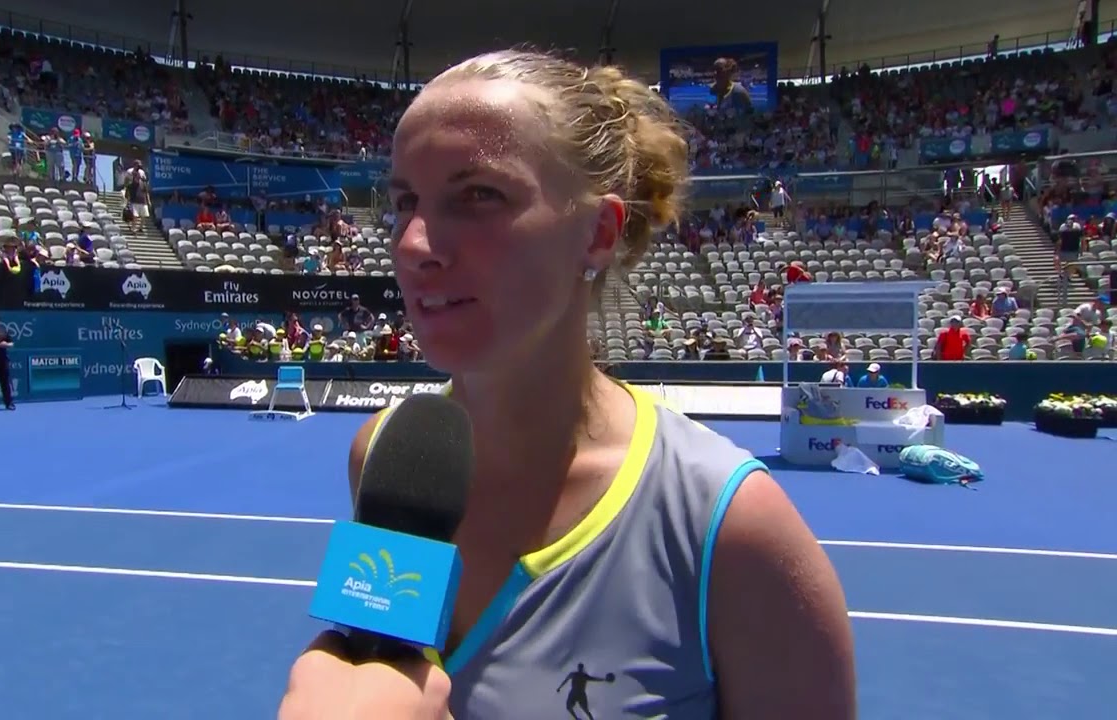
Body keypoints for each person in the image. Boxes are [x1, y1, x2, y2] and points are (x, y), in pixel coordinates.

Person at [279, 49, 855, 720]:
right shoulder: (386, 458)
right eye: (406, 201)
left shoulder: (731, 529)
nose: (413, 244)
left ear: (598, 233)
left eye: (478, 195)